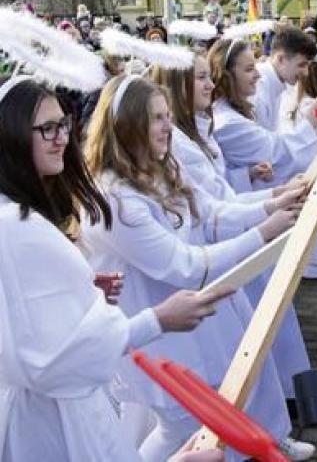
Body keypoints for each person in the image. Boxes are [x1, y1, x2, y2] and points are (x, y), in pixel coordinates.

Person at [81, 76, 316, 461]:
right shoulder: (113, 199)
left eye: (168, 116)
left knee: (184, 419)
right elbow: (183, 266)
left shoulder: (159, 166)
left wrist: (271, 206)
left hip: (189, 322)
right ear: (126, 124)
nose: (167, 126)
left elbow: (212, 213)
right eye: (157, 118)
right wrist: (263, 232)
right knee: (178, 424)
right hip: (158, 330)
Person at [0, 76, 232, 461]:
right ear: (10, 136)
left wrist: (82, 294)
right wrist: (157, 320)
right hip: (51, 416)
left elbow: (21, 313)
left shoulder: (15, 216)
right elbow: (52, 361)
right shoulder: (19, 224)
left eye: (64, 124)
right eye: (46, 129)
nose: (61, 138)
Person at [209, 37, 317, 324]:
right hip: (252, 206)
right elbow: (278, 148)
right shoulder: (235, 113)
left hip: (270, 187)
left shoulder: (251, 100)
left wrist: (249, 172)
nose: (255, 74)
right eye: (248, 68)